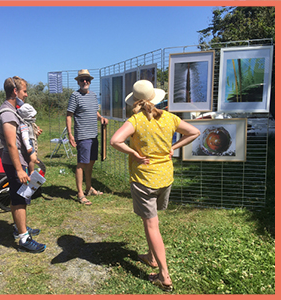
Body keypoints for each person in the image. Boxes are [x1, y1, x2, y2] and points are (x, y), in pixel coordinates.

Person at [110, 80, 200, 291]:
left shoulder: (135, 120)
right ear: (154, 98)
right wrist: (174, 147)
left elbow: (115, 141)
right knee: (149, 219)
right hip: (165, 178)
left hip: (144, 180)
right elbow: (194, 132)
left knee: (152, 225)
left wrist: (133, 153)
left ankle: (164, 275)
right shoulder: (169, 117)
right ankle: (151, 256)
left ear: (135, 100)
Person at [0, 76, 46, 253]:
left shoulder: (14, 110)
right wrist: (18, 169)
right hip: (13, 163)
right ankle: (24, 238)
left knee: (20, 197)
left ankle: (20, 227)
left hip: (18, 161)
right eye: (24, 91)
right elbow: (11, 144)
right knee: (18, 199)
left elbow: (20, 135)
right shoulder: (7, 113)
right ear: (15, 91)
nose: (26, 95)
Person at [66, 69, 108, 206]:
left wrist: (101, 118)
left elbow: (94, 112)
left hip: (93, 135)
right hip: (83, 136)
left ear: (90, 81)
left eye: (87, 79)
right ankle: (80, 193)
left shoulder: (94, 95)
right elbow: (69, 115)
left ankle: (89, 188)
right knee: (81, 164)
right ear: (78, 82)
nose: (85, 82)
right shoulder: (75, 96)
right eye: (82, 79)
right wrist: (70, 134)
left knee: (91, 163)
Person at [17, 103, 39, 174]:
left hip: (29, 144)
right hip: (28, 145)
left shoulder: (28, 124)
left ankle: (34, 163)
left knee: (33, 157)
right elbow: (25, 137)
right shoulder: (24, 125)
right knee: (32, 159)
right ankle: (32, 170)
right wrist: (28, 146)